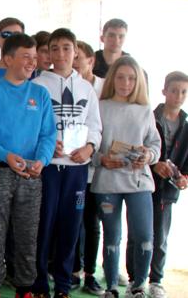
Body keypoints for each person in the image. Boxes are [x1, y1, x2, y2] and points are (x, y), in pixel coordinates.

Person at [0, 33, 56, 298]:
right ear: (8, 59)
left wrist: (41, 161)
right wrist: (5, 155)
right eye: (25, 57)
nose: (32, 63)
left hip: (31, 176)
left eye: (34, 57)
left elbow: (48, 135)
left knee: (27, 235)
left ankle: (24, 288)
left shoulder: (40, 94)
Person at [31, 28, 102, 298]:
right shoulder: (37, 85)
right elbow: (31, 127)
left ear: (76, 52)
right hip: (47, 168)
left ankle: (63, 285)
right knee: (44, 225)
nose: (61, 54)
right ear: (48, 52)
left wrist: (89, 147)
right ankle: (39, 284)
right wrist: (46, 146)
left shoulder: (86, 88)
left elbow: (95, 126)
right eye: (55, 48)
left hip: (76, 170)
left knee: (71, 226)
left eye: (67, 48)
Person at [90, 56, 161, 298]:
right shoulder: (100, 106)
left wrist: (148, 155)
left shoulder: (145, 110)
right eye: (120, 77)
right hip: (107, 181)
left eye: (131, 78)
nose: (125, 82)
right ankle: (111, 286)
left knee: (143, 235)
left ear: (138, 81)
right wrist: (102, 159)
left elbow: (154, 144)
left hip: (138, 182)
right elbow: (90, 144)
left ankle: (138, 285)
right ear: (112, 79)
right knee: (112, 236)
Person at [139, 71, 188, 298]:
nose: (179, 95)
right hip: (143, 184)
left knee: (161, 236)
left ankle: (156, 280)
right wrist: (154, 164)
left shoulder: (186, 125)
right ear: (164, 91)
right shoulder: (149, 116)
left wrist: (184, 177)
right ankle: (135, 279)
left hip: (168, 191)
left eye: (184, 92)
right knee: (140, 234)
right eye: (174, 90)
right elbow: (138, 147)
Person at [71, 39, 106, 295]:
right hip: (70, 166)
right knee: (71, 221)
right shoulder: (63, 85)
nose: (73, 61)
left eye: (77, 57)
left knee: (91, 223)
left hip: (99, 168)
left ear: (90, 61)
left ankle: (91, 274)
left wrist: (92, 149)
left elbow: (101, 126)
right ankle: (72, 270)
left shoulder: (104, 88)